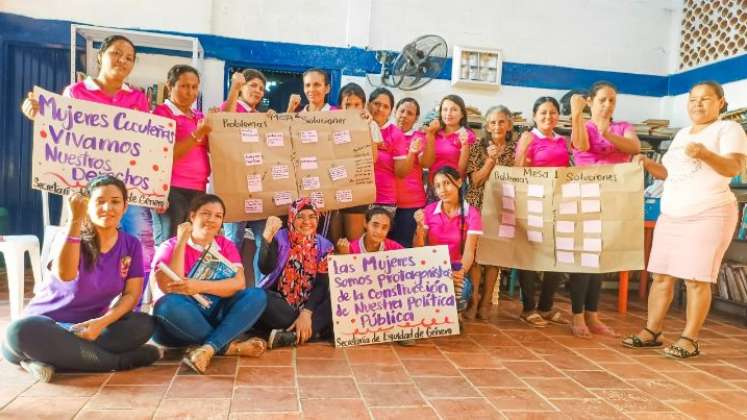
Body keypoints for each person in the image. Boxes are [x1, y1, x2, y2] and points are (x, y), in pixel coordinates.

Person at [623, 81, 747, 358]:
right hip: (672, 213)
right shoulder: (681, 135)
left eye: (705, 99)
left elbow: (735, 166)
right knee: (661, 276)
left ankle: (689, 339)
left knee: (696, 278)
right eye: (693, 99)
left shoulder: (729, 129)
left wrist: (705, 153)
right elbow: (670, 174)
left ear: (721, 102)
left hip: (709, 212)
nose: (698, 104)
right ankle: (652, 331)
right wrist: (646, 164)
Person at [21, 35, 156, 288]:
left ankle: (130, 305)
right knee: (83, 245)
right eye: (116, 53)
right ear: (100, 56)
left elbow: (147, 144)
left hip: (129, 188)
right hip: (85, 187)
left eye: (129, 58)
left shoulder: (138, 98)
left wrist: (157, 188)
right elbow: (59, 127)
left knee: (137, 245)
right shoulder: (76, 92)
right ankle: (82, 299)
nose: (122, 60)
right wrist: (39, 113)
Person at [2, 176, 160, 382]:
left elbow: (131, 294)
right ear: (87, 205)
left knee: (143, 324)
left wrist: (101, 323)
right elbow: (66, 275)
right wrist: (75, 220)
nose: (108, 207)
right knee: (18, 331)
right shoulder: (67, 235)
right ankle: (117, 362)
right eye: (100, 201)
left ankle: (51, 359)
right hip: (45, 328)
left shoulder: (131, 244)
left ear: (125, 206)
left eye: (115, 201)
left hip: (88, 329)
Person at [151, 194, 268, 374]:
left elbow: (238, 283)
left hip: (213, 310)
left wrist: (199, 286)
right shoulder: (169, 246)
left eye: (218, 216)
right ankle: (227, 346)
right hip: (180, 320)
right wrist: (181, 241)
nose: (212, 220)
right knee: (166, 306)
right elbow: (168, 285)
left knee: (257, 295)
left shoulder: (225, 245)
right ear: (192, 216)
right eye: (206, 213)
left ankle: (209, 347)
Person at [567, 81, 641, 338]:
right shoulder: (583, 125)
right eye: (602, 100)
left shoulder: (622, 127)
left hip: (613, 200)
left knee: (599, 260)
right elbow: (582, 146)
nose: (608, 105)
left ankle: (593, 316)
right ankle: (577, 317)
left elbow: (635, 148)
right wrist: (577, 114)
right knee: (583, 259)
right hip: (584, 197)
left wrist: (607, 133)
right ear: (590, 101)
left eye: (612, 101)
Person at [513, 96, 570, 328]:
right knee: (529, 256)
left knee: (556, 255)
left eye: (553, 112)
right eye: (543, 113)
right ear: (535, 116)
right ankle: (528, 308)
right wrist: (525, 146)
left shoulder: (563, 141)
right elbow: (518, 171)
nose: (548, 117)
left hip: (558, 203)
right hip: (533, 202)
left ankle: (546, 307)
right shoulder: (528, 138)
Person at [256, 198, 335, 348]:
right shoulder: (279, 238)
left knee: (337, 298)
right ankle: (309, 333)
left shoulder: (325, 246)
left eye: (312, 216)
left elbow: (321, 286)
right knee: (259, 297)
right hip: (282, 308)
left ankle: (291, 336)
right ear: (292, 218)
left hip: (310, 309)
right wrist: (266, 240)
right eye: (300, 217)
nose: (307, 222)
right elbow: (265, 268)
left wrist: (306, 313)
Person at [464, 105, 517, 320]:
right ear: (487, 125)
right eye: (493, 122)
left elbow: (519, 179)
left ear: (509, 125)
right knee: (476, 256)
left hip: (502, 208)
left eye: (501, 121)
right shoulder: (477, 146)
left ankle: (486, 302)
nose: (497, 126)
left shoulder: (515, 150)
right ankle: (474, 299)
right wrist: (491, 161)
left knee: (494, 256)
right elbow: (475, 180)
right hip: (478, 206)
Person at [220, 69, 273, 283]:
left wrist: (276, 119)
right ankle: (226, 287)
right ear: (241, 87)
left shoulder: (260, 117)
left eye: (261, 88)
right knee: (234, 239)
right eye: (253, 85)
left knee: (264, 240)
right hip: (235, 187)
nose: (258, 91)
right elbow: (226, 122)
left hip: (261, 189)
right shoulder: (230, 108)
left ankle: (263, 289)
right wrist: (233, 88)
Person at [152, 65, 212, 245]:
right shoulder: (161, 113)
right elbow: (164, 155)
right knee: (170, 243)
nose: (190, 92)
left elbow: (210, 149)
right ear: (170, 86)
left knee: (189, 243)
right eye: (185, 86)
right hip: (171, 188)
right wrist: (198, 135)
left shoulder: (198, 116)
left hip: (198, 188)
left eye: (194, 87)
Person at [413, 166, 482, 313]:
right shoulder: (429, 211)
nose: (442, 190)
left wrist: (460, 272)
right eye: (438, 186)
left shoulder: (472, 214)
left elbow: (469, 252)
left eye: (446, 183)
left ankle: (453, 315)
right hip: (429, 269)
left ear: (459, 182)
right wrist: (419, 228)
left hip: (456, 269)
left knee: (461, 290)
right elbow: (417, 249)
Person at [421, 95, 476, 199]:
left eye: (454, 109)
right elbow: (426, 163)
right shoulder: (434, 133)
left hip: (455, 189)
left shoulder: (467, 135)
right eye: (445, 109)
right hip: (433, 187)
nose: (448, 113)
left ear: (462, 114)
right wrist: (430, 133)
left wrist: (464, 146)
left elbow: (464, 170)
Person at [392, 97, 427, 248]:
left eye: (410, 113)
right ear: (395, 112)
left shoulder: (419, 138)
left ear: (416, 118)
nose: (404, 115)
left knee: (403, 251)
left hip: (409, 206)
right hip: (384, 203)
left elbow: (424, 161)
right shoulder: (385, 134)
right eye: (402, 111)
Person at [336, 207, 404, 254]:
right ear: (365, 223)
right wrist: (344, 256)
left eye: (384, 227)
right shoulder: (350, 248)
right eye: (375, 225)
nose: (379, 231)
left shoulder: (395, 248)